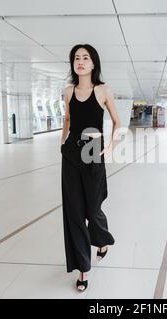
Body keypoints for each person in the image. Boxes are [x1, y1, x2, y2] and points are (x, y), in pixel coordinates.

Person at [60, 44, 120, 292]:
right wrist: (62, 142)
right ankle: (83, 269)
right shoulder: (67, 91)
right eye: (76, 58)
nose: (80, 61)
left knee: (93, 209)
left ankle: (102, 240)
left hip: (94, 151)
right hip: (72, 154)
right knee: (74, 212)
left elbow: (117, 121)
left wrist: (111, 146)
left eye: (85, 57)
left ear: (93, 63)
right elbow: (68, 119)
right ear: (73, 64)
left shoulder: (103, 90)